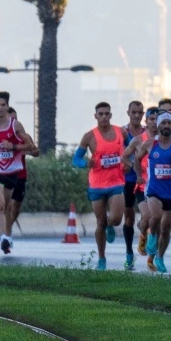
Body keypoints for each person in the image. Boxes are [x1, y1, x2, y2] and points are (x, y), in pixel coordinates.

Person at [131, 111, 171, 273]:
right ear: (158, 125)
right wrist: (138, 176)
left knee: (166, 228)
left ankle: (160, 257)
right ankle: (151, 237)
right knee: (156, 216)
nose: (166, 126)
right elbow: (137, 159)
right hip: (153, 189)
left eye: (169, 123)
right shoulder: (150, 143)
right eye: (163, 123)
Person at [72, 102, 129, 270]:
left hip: (116, 182)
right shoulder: (89, 136)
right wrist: (85, 163)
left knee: (117, 218)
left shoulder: (121, 132)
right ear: (95, 116)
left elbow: (134, 147)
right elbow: (75, 159)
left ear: (111, 115)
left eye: (106, 113)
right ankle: (102, 258)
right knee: (100, 222)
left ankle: (112, 225)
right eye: (100, 114)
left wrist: (129, 162)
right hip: (97, 185)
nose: (104, 117)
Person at [0, 93, 37, 255]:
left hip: (12, 172)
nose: (0, 108)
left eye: (3, 105)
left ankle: (6, 235)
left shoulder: (16, 126)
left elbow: (30, 146)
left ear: (7, 106)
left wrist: (12, 146)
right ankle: (4, 238)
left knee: (7, 208)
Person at [122, 106, 159, 270]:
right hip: (143, 186)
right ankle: (142, 232)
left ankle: (152, 258)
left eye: (158, 119)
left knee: (157, 220)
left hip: (160, 186)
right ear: (147, 121)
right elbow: (124, 156)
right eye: (152, 119)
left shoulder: (164, 140)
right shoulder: (139, 140)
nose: (155, 122)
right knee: (147, 216)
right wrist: (136, 172)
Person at [4, 107, 39, 245]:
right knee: (8, 205)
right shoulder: (1, 137)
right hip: (6, 175)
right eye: (11, 119)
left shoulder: (24, 136)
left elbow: (36, 152)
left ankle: (8, 227)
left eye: (15, 119)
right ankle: (6, 234)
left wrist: (28, 152)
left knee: (16, 207)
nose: (14, 122)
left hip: (20, 175)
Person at [119, 100, 147, 271]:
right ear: (128, 113)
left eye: (140, 113)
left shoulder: (147, 133)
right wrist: (127, 163)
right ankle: (129, 253)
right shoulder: (123, 132)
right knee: (128, 218)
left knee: (148, 216)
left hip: (144, 180)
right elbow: (119, 153)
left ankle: (144, 235)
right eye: (134, 112)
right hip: (127, 179)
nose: (137, 116)